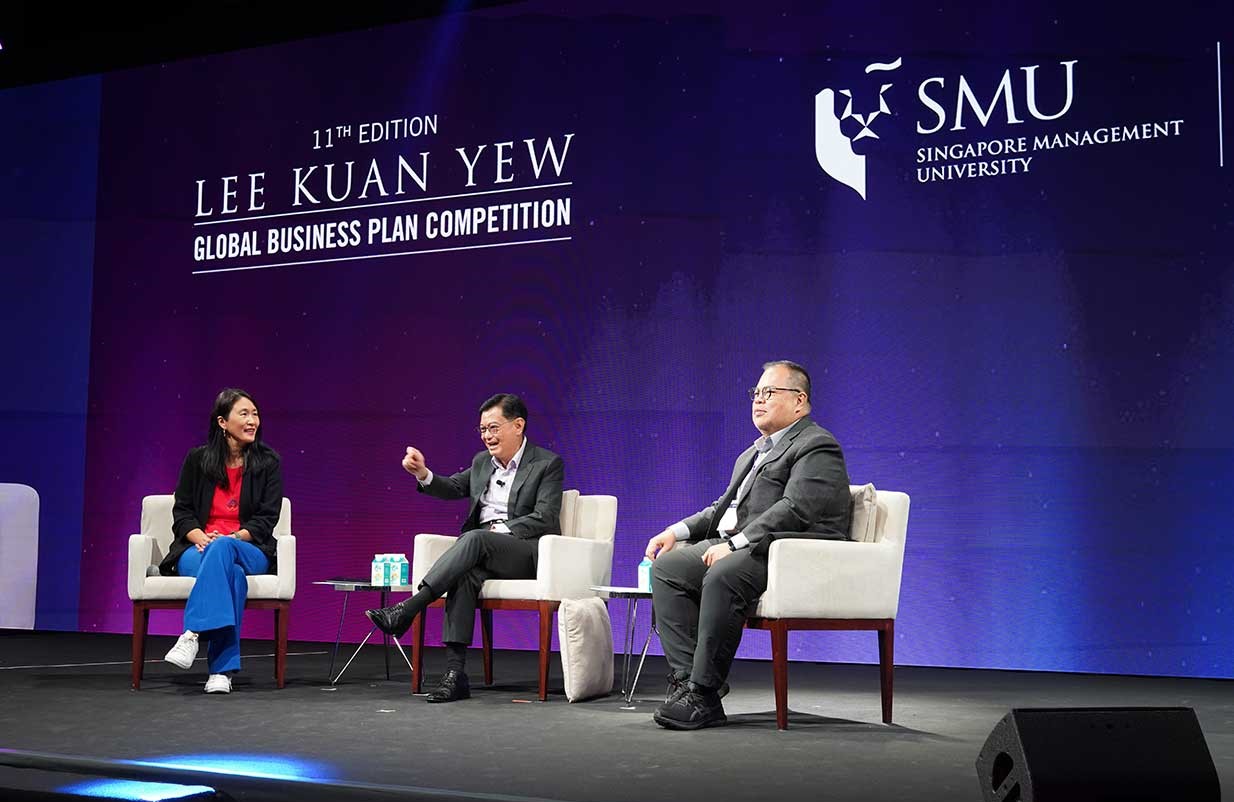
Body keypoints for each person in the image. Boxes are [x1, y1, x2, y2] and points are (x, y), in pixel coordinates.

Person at [644, 360, 851, 729]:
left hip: (790, 549)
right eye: (756, 392)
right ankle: (688, 682)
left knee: (723, 573)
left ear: (800, 401)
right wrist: (676, 532)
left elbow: (796, 509)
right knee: (667, 569)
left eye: (770, 392)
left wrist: (737, 543)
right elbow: (722, 509)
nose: (759, 400)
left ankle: (702, 693)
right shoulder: (752, 454)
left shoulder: (817, 445)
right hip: (750, 546)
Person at [366, 393, 564, 703]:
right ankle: (455, 675)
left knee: (472, 538)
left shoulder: (546, 463)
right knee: (464, 574)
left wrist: (502, 529)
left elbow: (546, 515)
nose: (487, 436)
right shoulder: (482, 462)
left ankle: (410, 608)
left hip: (525, 551)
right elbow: (454, 487)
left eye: (494, 427)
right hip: (482, 550)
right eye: (483, 429)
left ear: (518, 426)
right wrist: (423, 474)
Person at [161, 388, 284, 694]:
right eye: (244, 414)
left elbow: (266, 519)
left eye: (255, 413)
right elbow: (182, 510)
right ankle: (221, 672)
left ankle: (191, 632)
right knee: (234, 578)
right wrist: (200, 536)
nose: (253, 420)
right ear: (222, 422)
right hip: (197, 548)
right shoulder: (198, 459)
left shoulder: (269, 462)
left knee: (225, 549)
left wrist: (231, 538)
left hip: (249, 548)